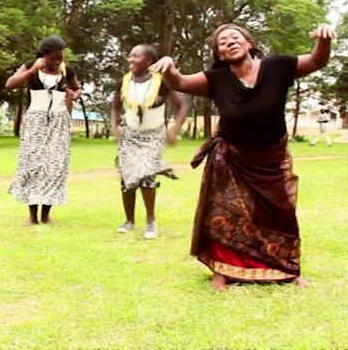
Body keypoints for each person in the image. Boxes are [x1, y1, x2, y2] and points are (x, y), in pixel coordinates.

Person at [150, 23, 334, 290]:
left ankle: (288, 269)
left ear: (249, 43)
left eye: (234, 37)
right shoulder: (216, 79)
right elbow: (180, 82)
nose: (229, 42)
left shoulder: (278, 67)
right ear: (220, 54)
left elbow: (317, 60)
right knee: (223, 212)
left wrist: (323, 39)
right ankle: (222, 270)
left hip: (272, 157)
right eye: (222, 42)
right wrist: (169, 68)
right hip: (232, 157)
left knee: (281, 211)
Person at [110, 44, 188, 239]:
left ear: (149, 61)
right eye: (129, 55)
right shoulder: (125, 81)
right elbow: (115, 105)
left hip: (153, 135)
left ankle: (151, 221)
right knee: (127, 177)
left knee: (146, 174)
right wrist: (114, 125)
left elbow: (182, 106)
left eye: (135, 56)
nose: (130, 60)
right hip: (130, 135)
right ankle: (129, 221)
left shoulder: (161, 81)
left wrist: (174, 129)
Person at [5, 35, 81, 224]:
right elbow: (11, 84)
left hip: (58, 123)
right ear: (44, 55)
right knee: (32, 165)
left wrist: (74, 95)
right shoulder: (31, 66)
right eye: (53, 57)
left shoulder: (67, 71)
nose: (57, 61)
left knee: (55, 167)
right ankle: (32, 216)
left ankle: (46, 215)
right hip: (35, 123)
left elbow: (77, 89)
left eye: (60, 57)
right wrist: (32, 70)